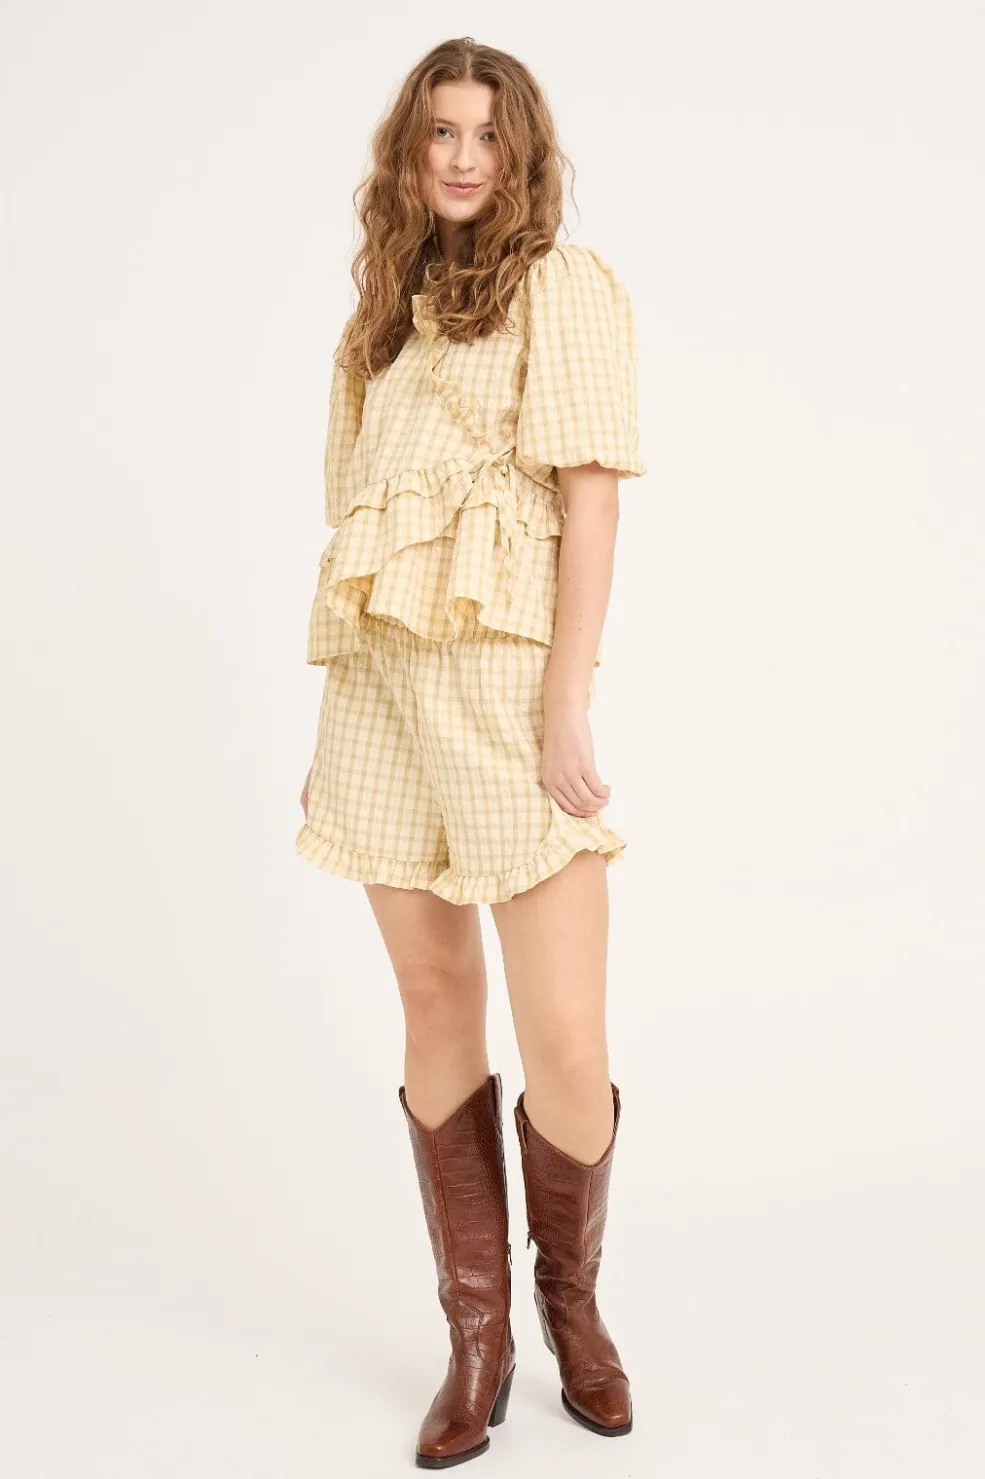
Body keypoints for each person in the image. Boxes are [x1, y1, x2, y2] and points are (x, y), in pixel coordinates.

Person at [296, 35, 646, 1470]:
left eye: (487, 134)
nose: (461, 157)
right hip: (382, 702)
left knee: (567, 1039)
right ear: (410, 150)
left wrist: (568, 705)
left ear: (521, 155)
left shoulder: (564, 287)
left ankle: (574, 1305)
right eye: (440, 131)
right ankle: (478, 1334)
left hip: (507, 699)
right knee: (436, 1002)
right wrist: (335, 735)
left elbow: (591, 508)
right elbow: (360, 526)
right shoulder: (376, 327)